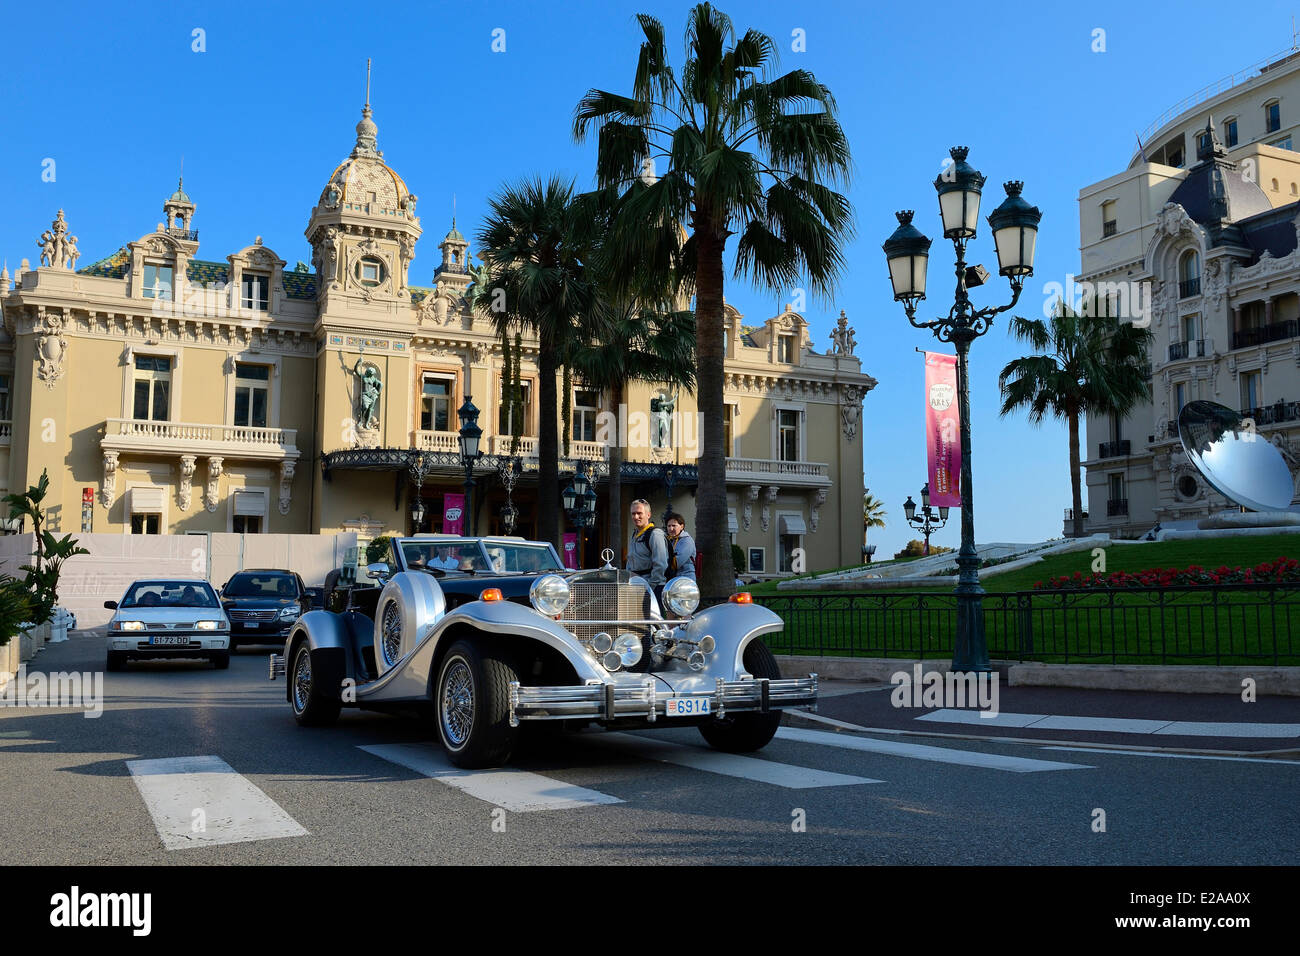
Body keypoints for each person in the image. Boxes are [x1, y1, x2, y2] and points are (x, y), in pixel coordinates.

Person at [625, 499, 668, 587]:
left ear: (648, 515)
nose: (636, 517)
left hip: (653, 587)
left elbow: (661, 565)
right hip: (636, 586)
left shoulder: (655, 534)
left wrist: (650, 586)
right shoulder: (635, 534)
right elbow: (630, 562)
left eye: (639, 513)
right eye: (633, 514)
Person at [664, 512, 696, 582]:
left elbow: (676, 563)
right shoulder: (669, 540)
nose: (671, 529)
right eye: (669, 526)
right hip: (673, 580)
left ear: (682, 526)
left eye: (674, 525)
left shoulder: (687, 541)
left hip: (686, 580)